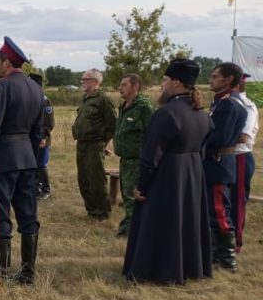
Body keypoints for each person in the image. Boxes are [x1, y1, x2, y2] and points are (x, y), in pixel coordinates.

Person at [123, 59, 213, 284]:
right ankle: (189, 268)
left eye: (164, 81)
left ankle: (161, 270)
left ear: (175, 82)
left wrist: (142, 186)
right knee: (186, 222)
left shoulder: (166, 114)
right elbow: (203, 148)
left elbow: (150, 155)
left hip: (168, 176)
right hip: (192, 173)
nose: (162, 86)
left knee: (162, 224)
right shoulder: (202, 114)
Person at [0, 37, 44, 283]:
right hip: (27, 158)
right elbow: (39, 131)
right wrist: (33, 160)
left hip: (2, 159)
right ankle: (28, 274)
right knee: (28, 216)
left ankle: (1, 275)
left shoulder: (1, 87)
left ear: (6, 62)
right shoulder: (36, 88)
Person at [204, 62, 248, 270]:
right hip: (215, 163)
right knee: (213, 210)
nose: (210, 80)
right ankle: (213, 256)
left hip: (219, 163)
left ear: (228, 79)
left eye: (215, 76)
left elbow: (218, 137)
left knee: (219, 210)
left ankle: (227, 259)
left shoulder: (229, 104)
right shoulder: (221, 102)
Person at [72, 68, 117, 220]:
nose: (82, 82)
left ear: (95, 82)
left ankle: (101, 212)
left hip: (95, 144)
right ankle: (91, 209)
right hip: (82, 144)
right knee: (83, 178)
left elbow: (112, 124)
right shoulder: (85, 98)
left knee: (96, 178)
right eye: (82, 79)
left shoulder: (103, 99)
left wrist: (104, 143)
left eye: (86, 79)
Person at [112, 73, 153, 237]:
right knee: (127, 194)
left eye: (124, 85)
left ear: (135, 87)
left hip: (138, 159)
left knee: (133, 195)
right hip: (125, 159)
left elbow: (151, 133)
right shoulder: (124, 106)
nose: (120, 88)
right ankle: (130, 225)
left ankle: (133, 229)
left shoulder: (143, 106)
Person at [232, 73, 258, 253]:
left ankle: (236, 242)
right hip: (225, 157)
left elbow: (243, 136)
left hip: (239, 156)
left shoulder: (247, 106)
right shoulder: (222, 103)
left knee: (237, 199)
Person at [29, 73, 56, 199]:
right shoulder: (31, 98)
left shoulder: (45, 100)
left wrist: (44, 137)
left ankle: (46, 190)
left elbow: (49, 122)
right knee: (33, 164)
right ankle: (36, 189)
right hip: (32, 138)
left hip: (42, 139)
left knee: (41, 164)